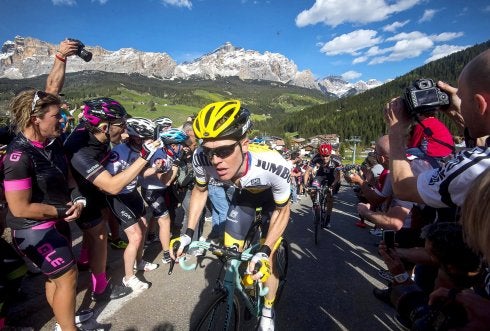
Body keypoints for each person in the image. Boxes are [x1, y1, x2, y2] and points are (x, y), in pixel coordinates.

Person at [172, 100, 291, 331]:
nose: (215, 160)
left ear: (244, 144)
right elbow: (199, 190)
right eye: (209, 151)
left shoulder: (273, 164)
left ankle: (268, 309)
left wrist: (266, 251)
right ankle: (244, 286)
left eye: (224, 151)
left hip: (271, 203)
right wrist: (187, 234)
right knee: (231, 254)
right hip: (244, 197)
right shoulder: (200, 157)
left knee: (270, 259)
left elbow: (282, 210)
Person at [2, 90, 86, 330]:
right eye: (57, 115)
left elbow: (68, 177)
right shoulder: (18, 157)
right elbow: (19, 208)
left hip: (58, 221)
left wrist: (78, 198)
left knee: (56, 278)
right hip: (32, 228)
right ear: (34, 118)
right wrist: (62, 212)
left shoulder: (54, 140)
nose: (63, 119)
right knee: (68, 276)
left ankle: (63, 322)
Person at [64, 97, 161, 301]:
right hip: (81, 195)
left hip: (94, 189)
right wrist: (144, 156)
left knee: (97, 236)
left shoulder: (96, 131)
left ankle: (85, 262)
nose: (125, 130)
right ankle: (100, 289)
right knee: (99, 237)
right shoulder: (81, 150)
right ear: (104, 126)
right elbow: (113, 186)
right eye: (121, 125)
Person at [384, 49, 490, 208]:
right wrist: (456, 114)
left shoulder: (477, 167)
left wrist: (396, 130)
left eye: (462, 97)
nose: (460, 103)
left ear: (479, 104)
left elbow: (404, 187)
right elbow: (480, 149)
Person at [105, 117, 160, 291]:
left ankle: (139, 261)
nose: (150, 142)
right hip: (117, 196)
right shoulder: (118, 153)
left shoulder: (140, 149)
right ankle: (128, 277)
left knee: (143, 227)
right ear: (136, 137)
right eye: (147, 138)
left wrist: (157, 169)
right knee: (135, 236)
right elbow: (109, 183)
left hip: (131, 193)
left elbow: (141, 173)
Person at [141, 128, 185, 264]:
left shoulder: (168, 152)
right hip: (152, 190)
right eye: (181, 144)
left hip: (158, 189)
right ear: (173, 145)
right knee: (164, 220)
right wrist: (176, 165)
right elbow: (166, 181)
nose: (182, 147)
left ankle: (151, 235)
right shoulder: (160, 157)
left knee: (158, 216)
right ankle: (167, 254)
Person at [304, 143, 342, 229]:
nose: (325, 158)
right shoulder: (316, 157)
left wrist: (333, 185)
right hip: (320, 175)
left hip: (332, 177)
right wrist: (306, 184)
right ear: (320, 154)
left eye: (327, 156)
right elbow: (307, 172)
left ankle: (328, 218)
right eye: (323, 156)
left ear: (330, 153)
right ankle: (315, 203)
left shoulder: (336, 160)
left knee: (330, 198)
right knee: (312, 189)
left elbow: (339, 176)